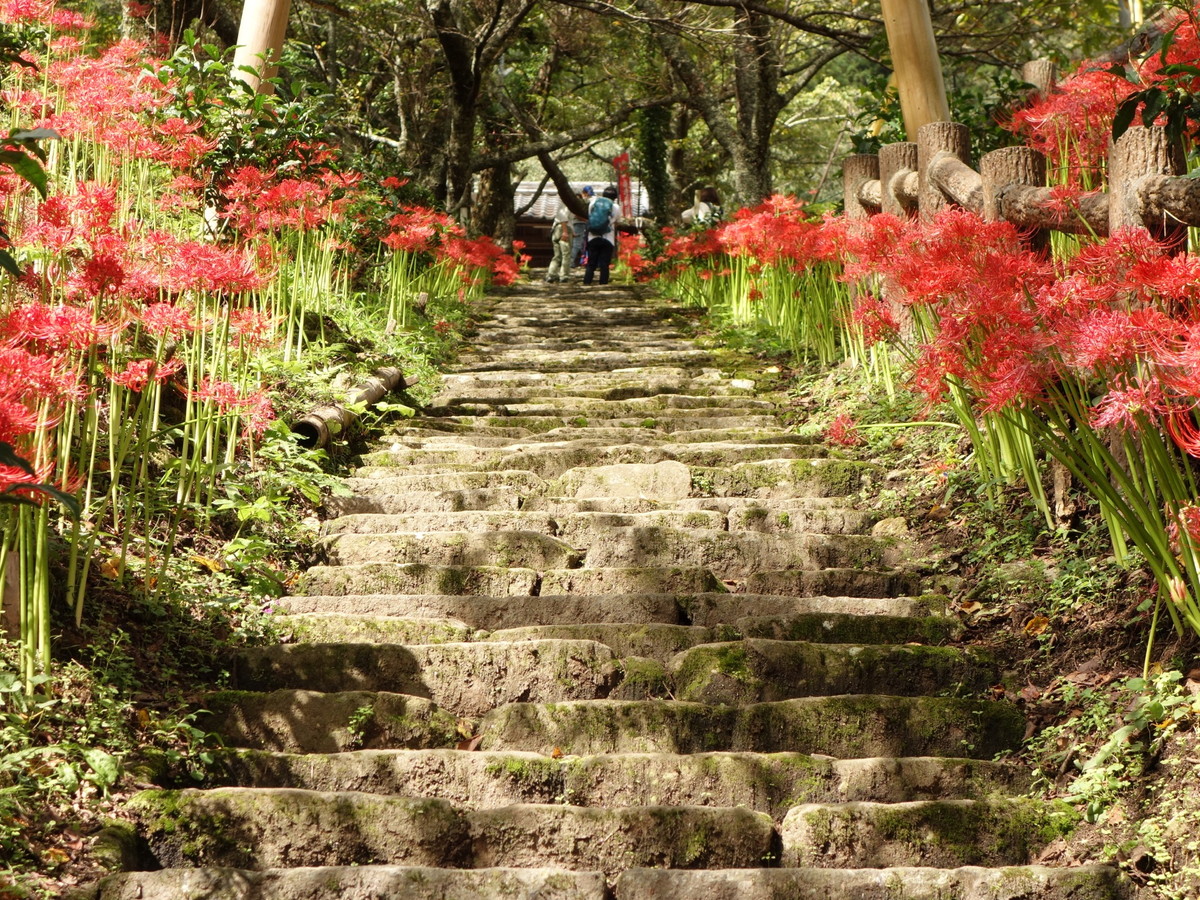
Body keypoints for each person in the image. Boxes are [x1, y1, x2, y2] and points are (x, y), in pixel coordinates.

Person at [583, 185, 621, 286]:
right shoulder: (616, 207)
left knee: (591, 262)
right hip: (608, 237)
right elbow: (616, 221)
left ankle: (587, 282)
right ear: (615, 197)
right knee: (604, 263)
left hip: (593, 236)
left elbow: (590, 216)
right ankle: (603, 284)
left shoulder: (593, 203)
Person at [545, 206, 572, 283]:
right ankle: (564, 275)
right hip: (563, 229)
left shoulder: (561, 205)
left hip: (555, 230)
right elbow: (563, 219)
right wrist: (565, 232)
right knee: (566, 254)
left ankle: (551, 274)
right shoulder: (568, 206)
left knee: (557, 255)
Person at [571, 186, 592, 268]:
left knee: (583, 244)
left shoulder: (585, 201)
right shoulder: (578, 203)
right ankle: (571, 262)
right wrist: (586, 220)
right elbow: (576, 215)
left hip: (583, 224)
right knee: (577, 244)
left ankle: (583, 261)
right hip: (578, 224)